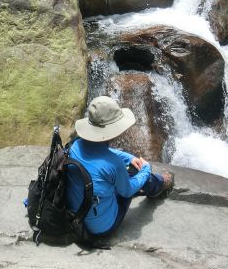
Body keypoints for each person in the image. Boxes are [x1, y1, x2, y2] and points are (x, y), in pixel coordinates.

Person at [66, 96, 174, 238]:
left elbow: (101, 153)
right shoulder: (114, 164)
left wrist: (130, 157)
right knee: (135, 172)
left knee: (119, 176)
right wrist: (146, 169)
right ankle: (159, 184)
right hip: (101, 227)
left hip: (76, 215)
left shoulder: (75, 145)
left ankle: (153, 184)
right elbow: (127, 191)